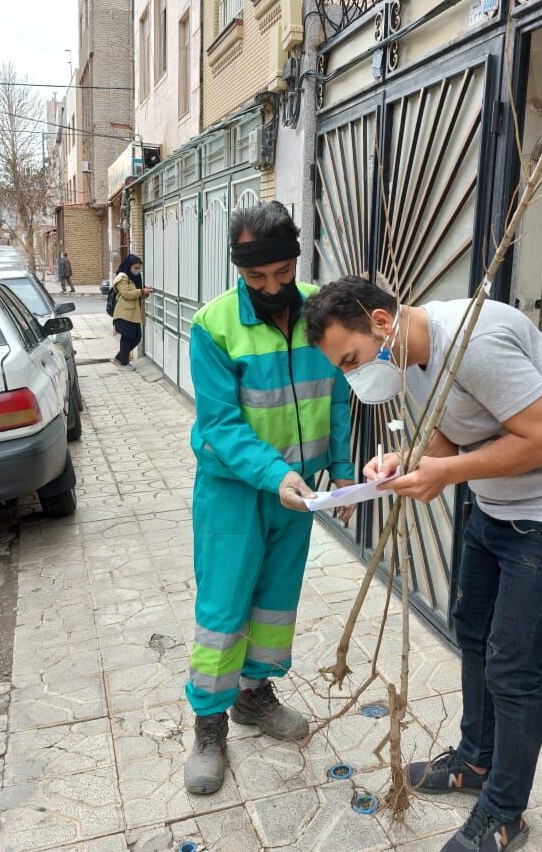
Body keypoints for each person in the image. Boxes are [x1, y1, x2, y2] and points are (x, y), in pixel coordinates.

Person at [302, 276, 542, 852]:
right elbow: (454, 424)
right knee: (472, 632)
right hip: (501, 508)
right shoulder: (410, 355)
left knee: (511, 667)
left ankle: (504, 812)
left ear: (379, 321)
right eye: (341, 368)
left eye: (351, 360)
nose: (353, 376)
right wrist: (410, 459)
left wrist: (446, 473)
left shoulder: (475, 341)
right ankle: (475, 761)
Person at [184, 201, 357, 796]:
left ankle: (254, 697)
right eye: (257, 278)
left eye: (282, 273)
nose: (272, 287)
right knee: (224, 609)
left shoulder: (319, 312)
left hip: (299, 493)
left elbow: (337, 391)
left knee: (276, 601)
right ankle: (209, 724)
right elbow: (220, 425)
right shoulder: (213, 325)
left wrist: (342, 468)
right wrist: (272, 473)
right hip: (235, 492)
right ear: (239, 269)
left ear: (295, 260)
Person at [110, 253, 151, 369]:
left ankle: (119, 358)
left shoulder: (136, 278)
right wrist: (142, 291)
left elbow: (139, 295)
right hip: (124, 313)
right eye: (135, 268)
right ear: (129, 266)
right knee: (127, 337)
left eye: (139, 268)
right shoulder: (122, 278)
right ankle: (124, 363)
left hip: (134, 313)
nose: (138, 270)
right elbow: (126, 294)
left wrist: (145, 292)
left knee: (137, 338)